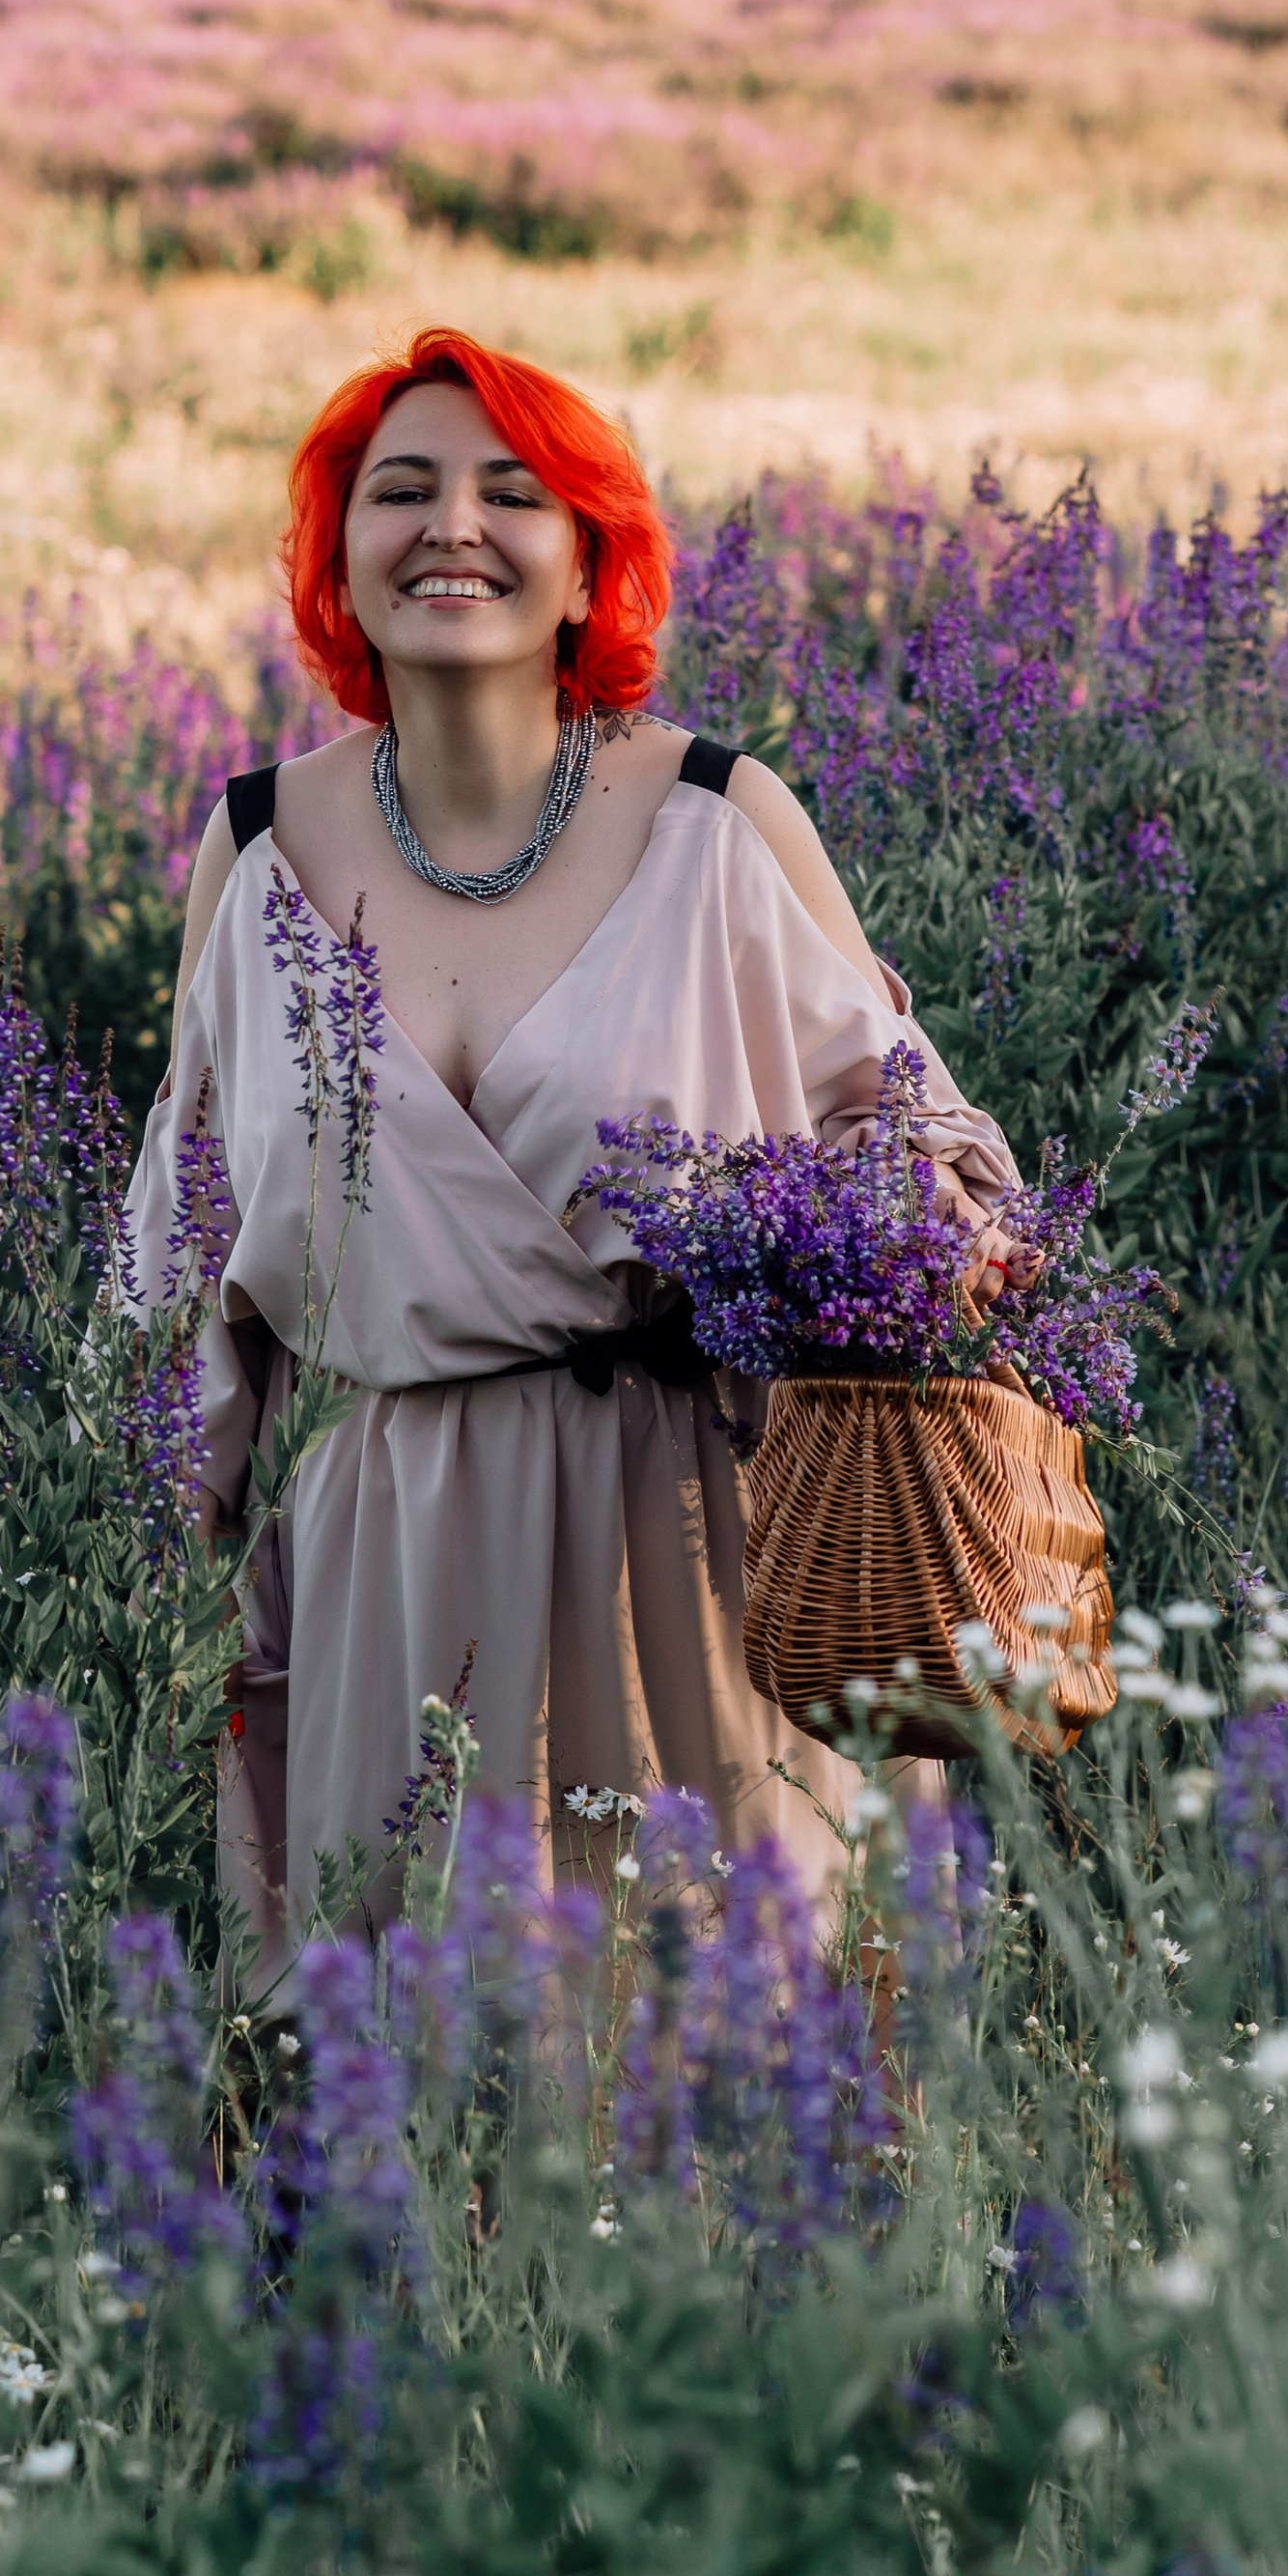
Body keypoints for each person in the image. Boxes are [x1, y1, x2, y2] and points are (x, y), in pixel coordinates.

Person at [124, 327, 1022, 1982]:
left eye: (510, 492)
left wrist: (896, 1250)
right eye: (401, 490)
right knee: (414, 2115)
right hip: (379, 1562)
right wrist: (186, 1623)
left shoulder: (720, 819)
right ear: (339, 551)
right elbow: (189, 1272)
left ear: (588, 553)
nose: (450, 526)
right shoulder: (251, 847)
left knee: (716, 2089)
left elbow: (930, 1167)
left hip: (684, 1549)